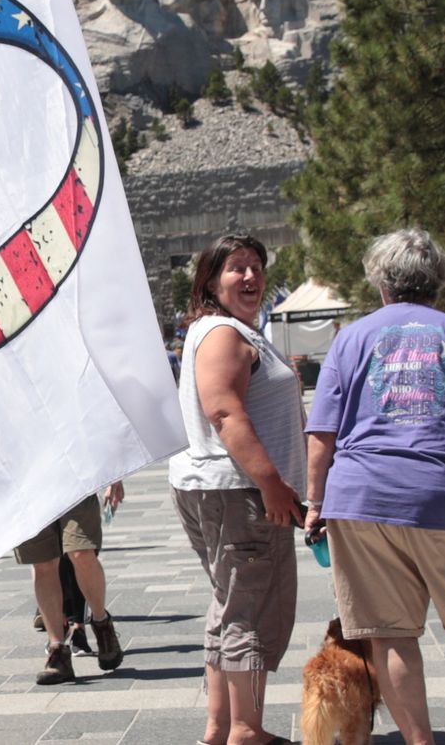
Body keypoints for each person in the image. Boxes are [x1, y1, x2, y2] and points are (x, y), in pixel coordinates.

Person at [305, 229, 445, 745]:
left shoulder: (350, 338)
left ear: (380, 283)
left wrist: (315, 503)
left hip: (362, 498)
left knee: (390, 634)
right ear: (438, 281)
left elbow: (321, 433)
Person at [168, 233, 305, 745]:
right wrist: (272, 485)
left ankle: (221, 727)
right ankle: (247, 730)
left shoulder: (223, 329)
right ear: (210, 280)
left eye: (256, 267)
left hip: (221, 490)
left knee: (230, 606)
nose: (250, 277)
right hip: (240, 492)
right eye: (236, 268)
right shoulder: (224, 333)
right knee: (252, 609)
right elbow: (224, 411)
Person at [14, 483, 125, 684]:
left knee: (81, 552)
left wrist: (114, 479)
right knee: (43, 563)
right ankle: (57, 650)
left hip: (73, 479)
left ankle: (102, 623)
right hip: (27, 486)